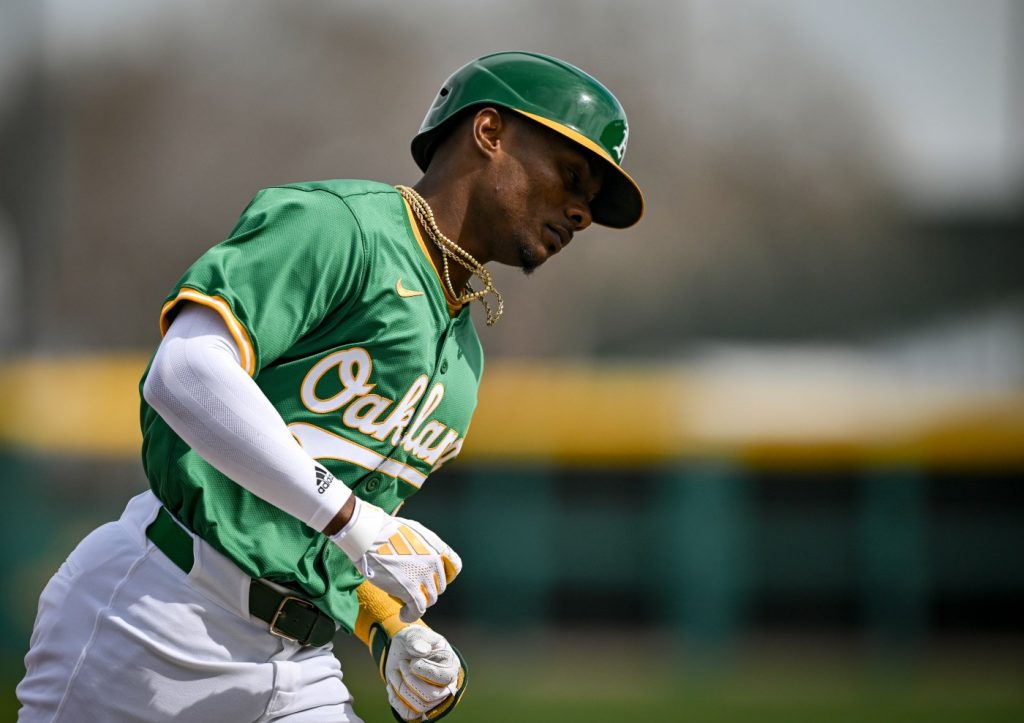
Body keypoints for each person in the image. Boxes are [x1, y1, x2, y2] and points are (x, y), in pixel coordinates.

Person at [16, 50, 644, 722]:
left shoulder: (464, 359)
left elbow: (335, 537)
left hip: (298, 664)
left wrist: (392, 632)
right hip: (157, 614)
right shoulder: (342, 226)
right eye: (572, 176)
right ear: (488, 132)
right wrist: (354, 519)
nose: (580, 212)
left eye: (590, 203)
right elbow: (184, 371)